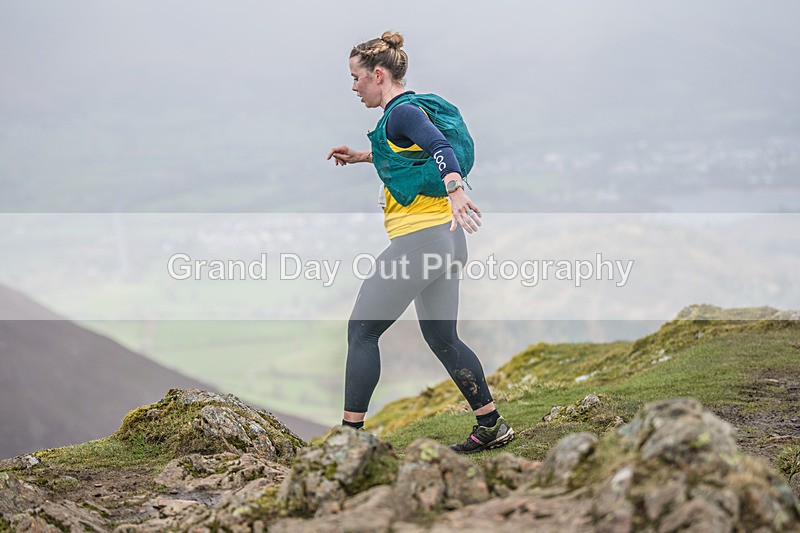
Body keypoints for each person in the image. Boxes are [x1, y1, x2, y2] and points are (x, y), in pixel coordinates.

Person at [326, 30, 514, 454]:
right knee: (443, 338)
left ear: (377, 74)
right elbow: (409, 153)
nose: (353, 87)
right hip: (447, 245)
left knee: (361, 331)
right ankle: (491, 425)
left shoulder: (401, 113)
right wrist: (361, 156)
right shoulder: (404, 115)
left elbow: (437, 146)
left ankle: (347, 441)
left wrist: (455, 187)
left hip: (420, 242)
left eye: (355, 77)